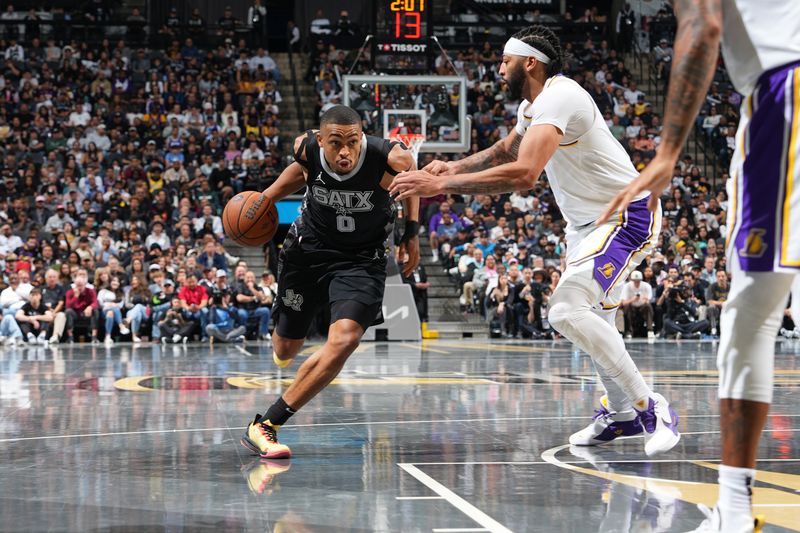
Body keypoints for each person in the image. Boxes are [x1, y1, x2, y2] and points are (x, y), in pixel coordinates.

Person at [391, 26, 679, 457]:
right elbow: (506, 150)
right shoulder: (534, 106)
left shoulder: (560, 96)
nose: (499, 67)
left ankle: (651, 407)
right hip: (586, 225)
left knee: (565, 310)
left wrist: (443, 188)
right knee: (596, 322)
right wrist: (447, 170)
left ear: (531, 62)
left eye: (506, 60)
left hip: (626, 215)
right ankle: (619, 415)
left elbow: (524, 174)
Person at [600, 1, 800, 529]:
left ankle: (734, 513)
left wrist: (666, 152)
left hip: (788, 91)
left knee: (753, 310)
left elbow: (703, 22)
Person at [240, 105, 420, 459]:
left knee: (346, 338)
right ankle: (286, 341)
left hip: (360, 260)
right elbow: (300, 172)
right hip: (306, 252)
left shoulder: (389, 156)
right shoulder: (304, 149)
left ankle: (267, 424)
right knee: (285, 349)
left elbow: (413, 179)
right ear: (320, 139)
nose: (345, 152)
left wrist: (411, 234)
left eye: (352, 142)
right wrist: (267, 198)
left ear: (362, 137)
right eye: (335, 143)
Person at [65, 269, 100, 343]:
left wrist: (90, 307)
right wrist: (75, 297)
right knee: (68, 312)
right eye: (77, 285)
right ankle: (70, 337)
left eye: (81, 285)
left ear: (85, 284)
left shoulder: (90, 291)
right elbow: (68, 306)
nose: (79, 287)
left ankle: (94, 337)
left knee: (95, 310)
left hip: (87, 313)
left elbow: (95, 302)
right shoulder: (70, 292)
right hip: (76, 313)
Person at [620, 270, 655, 339]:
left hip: (642, 306)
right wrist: (633, 299)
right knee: (627, 307)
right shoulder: (626, 286)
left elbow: (649, 299)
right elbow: (623, 303)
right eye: (634, 280)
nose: (636, 282)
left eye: (638, 280)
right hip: (631, 307)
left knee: (648, 306)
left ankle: (650, 330)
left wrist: (646, 300)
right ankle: (629, 331)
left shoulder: (646, 286)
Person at [705, 269, 729, 337]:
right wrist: (721, 303)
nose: (721, 278)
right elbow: (709, 301)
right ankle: (713, 329)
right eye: (718, 276)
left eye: (722, 276)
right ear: (716, 278)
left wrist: (726, 304)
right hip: (717, 309)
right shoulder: (712, 286)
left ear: (726, 277)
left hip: (728, 307)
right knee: (711, 307)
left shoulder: (730, 287)